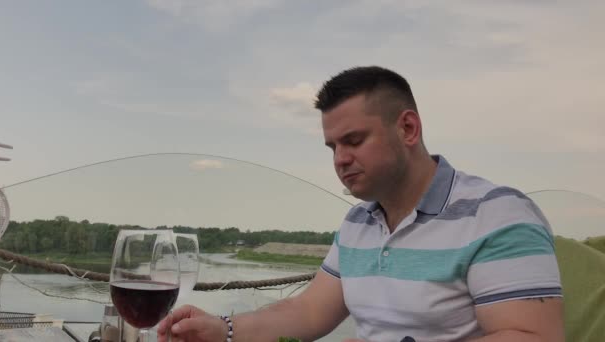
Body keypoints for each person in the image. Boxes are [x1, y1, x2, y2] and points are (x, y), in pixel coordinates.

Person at [158, 66, 564, 341]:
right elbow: (308, 312)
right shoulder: (359, 223)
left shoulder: (496, 215)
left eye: (353, 141)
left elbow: (530, 336)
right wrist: (223, 328)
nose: (339, 159)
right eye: (332, 146)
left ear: (407, 128)